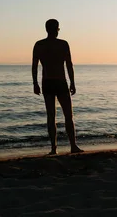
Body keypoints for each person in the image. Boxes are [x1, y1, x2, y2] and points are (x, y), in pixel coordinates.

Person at [32, 19, 83, 155]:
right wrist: (72, 82)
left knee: (51, 116)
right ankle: (72, 146)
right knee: (68, 116)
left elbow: (34, 66)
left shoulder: (39, 45)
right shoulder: (63, 44)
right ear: (57, 29)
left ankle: (54, 148)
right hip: (60, 82)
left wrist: (35, 83)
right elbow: (69, 65)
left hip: (47, 82)